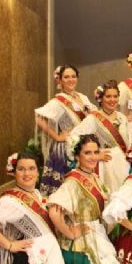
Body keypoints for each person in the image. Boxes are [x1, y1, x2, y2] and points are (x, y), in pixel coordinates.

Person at [48, 134, 132, 264]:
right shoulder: (72, 182)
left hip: (97, 233)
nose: (93, 157)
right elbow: (54, 211)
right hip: (82, 241)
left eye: (96, 152)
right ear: (77, 155)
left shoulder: (94, 177)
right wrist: (70, 232)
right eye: (87, 153)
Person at [36, 65, 95, 196]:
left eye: (73, 76)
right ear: (60, 80)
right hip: (66, 148)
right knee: (67, 187)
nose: (70, 80)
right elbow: (39, 119)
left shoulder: (83, 97)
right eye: (66, 77)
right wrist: (57, 136)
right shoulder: (57, 101)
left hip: (84, 146)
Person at [70, 80, 130, 193]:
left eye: (115, 96)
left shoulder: (122, 117)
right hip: (105, 165)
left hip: (123, 164)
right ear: (100, 98)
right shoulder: (93, 118)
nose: (112, 100)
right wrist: (95, 154)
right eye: (108, 96)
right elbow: (73, 138)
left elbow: (128, 141)